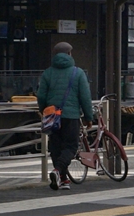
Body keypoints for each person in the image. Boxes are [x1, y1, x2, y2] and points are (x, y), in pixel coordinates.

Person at [36, 42, 94, 191]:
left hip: (52, 115)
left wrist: (44, 111)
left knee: (55, 147)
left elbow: (41, 95)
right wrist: (89, 117)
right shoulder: (78, 73)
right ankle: (58, 171)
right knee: (70, 146)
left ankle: (62, 179)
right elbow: (85, 97)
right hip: (71, 116)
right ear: (69, 54)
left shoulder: (47, 73)